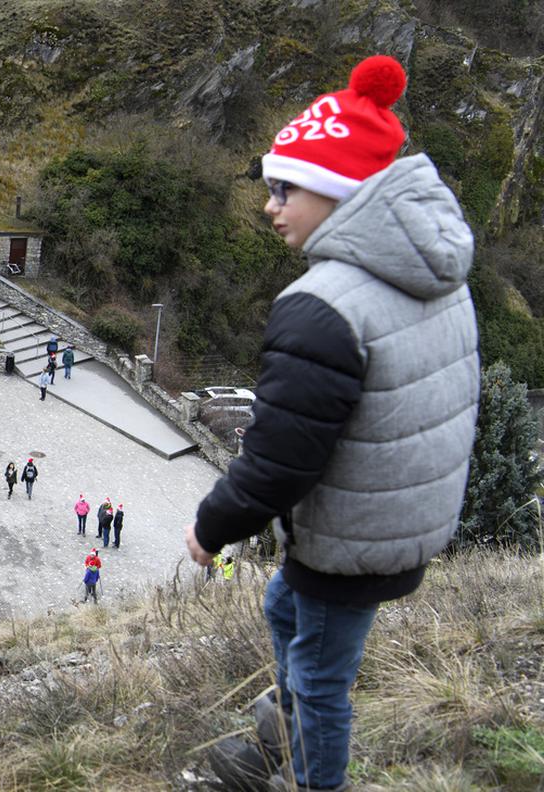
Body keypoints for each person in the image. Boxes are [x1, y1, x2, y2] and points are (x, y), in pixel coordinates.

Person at [187, 56, 479, 792]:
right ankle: (277, 732)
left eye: (285, 188)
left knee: (320, 676)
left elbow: (281, 454)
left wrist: (212, 524)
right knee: (284, 605)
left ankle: (312, 779)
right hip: (396, 525)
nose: (269, 205)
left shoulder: (326, 304)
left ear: (339, 191)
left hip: (350, 538)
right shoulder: (434, 274)